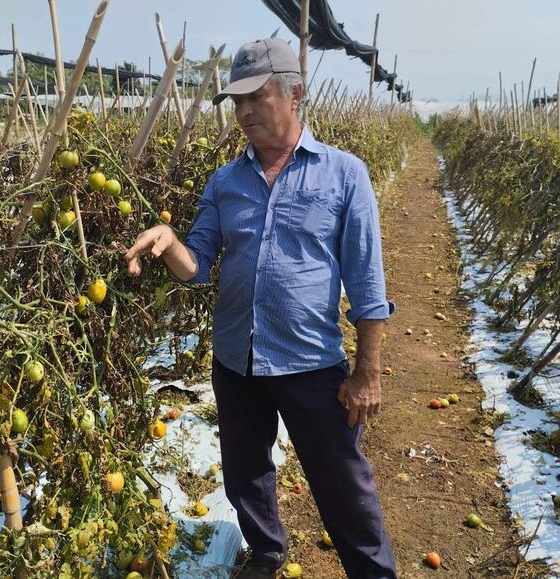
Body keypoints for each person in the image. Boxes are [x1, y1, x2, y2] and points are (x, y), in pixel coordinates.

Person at [124, 37, 397, 579]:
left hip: (310, 362)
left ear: (295, 94)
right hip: (235, 359)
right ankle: (267, 550)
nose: (244, 111)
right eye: (237, 101)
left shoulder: (344, 174)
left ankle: (373, 571)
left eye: (257, 97)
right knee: (245, 471)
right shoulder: (225, 180)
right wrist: (169, 240)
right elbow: (196, 264)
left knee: (343, 484)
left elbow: (368, 283)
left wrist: (368, 371)